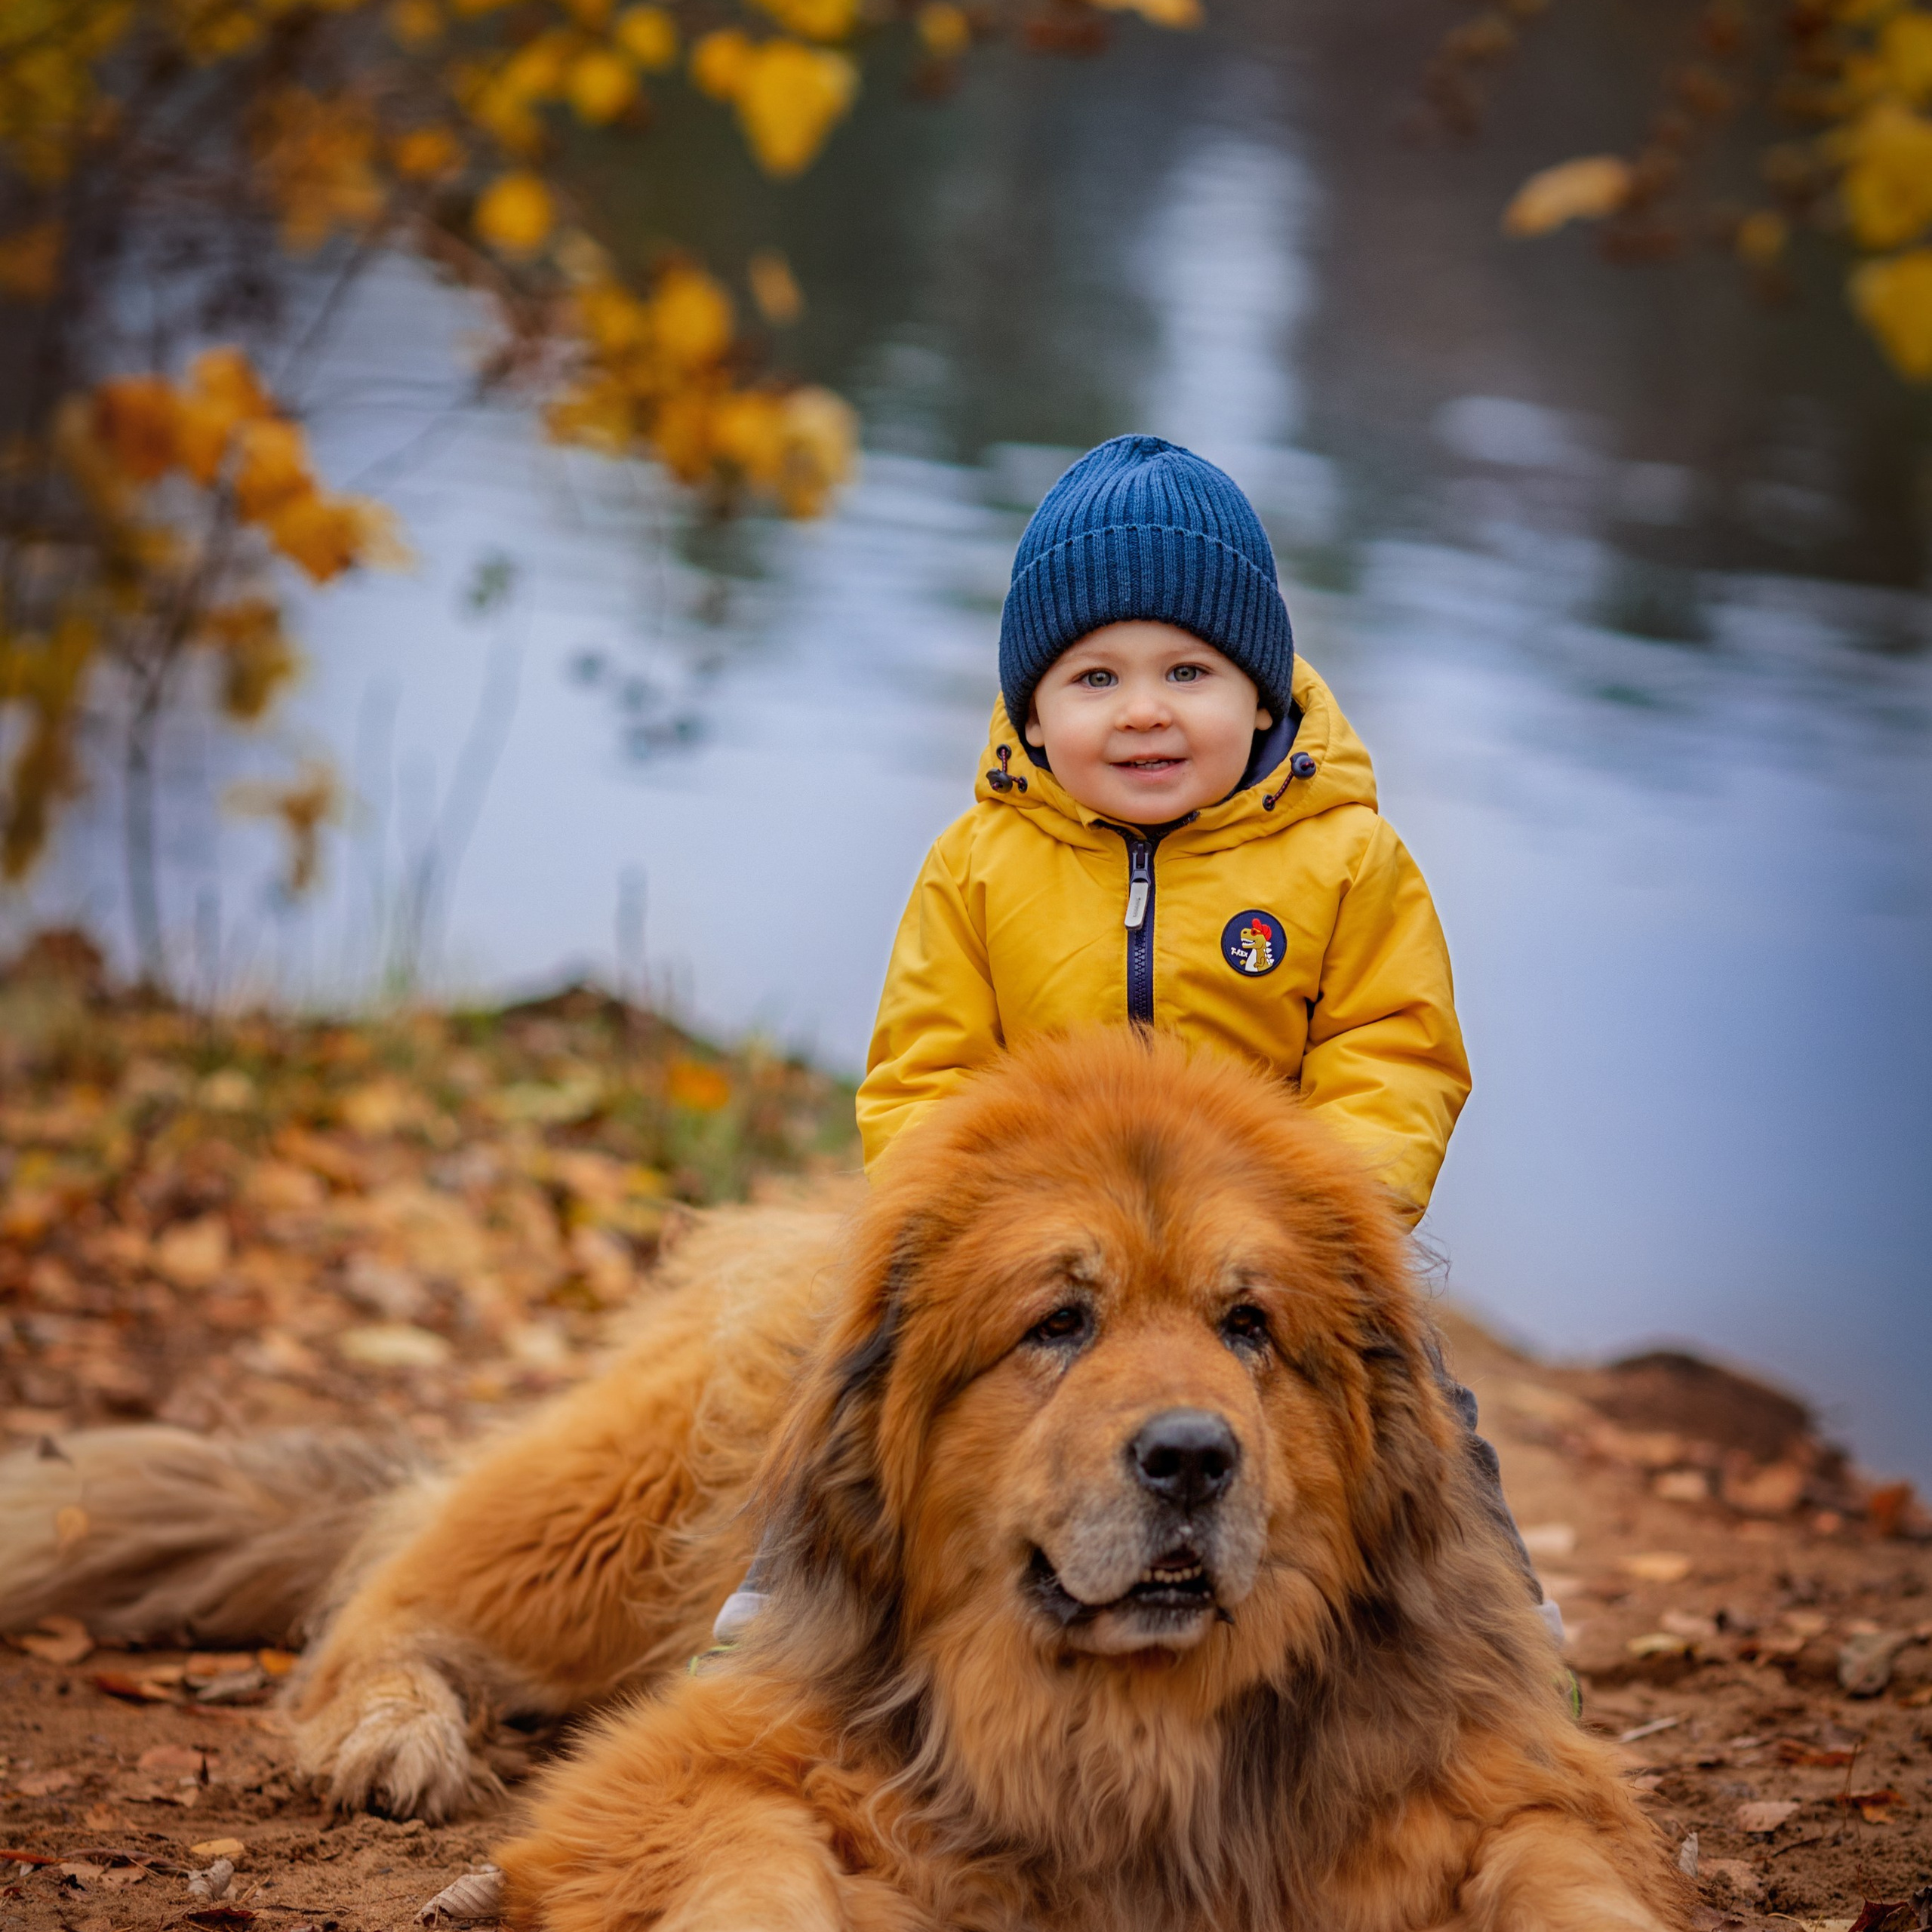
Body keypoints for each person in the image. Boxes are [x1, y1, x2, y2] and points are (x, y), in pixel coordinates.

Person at [713, 433, 1552, 1647]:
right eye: (1095, 678)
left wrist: (1340, 1212)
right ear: (1034, 713)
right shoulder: (979, 865)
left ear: (1260, 693)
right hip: (1046, 1237)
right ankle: (777, 1602)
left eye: (1189, 671)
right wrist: (952, 1222)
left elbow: (1395, 1047)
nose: (1145, 709)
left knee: (1429, 1400)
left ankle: (1506, 1628)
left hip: (1262, 1243)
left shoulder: (1346, 858)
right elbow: (925, 1068)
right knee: (852, 1372)